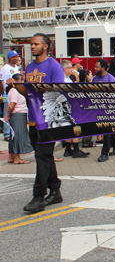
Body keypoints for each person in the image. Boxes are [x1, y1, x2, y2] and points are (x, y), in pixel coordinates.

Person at [15, 33, 65, 213]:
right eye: (31, 44)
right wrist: (18, 86)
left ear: (46, 46)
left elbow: (58, 93)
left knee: (42, 157)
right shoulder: (29, 67)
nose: (32, 47)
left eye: (36, 44)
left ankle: (38, 197)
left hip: (48, 121)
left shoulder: (54, 66)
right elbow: (30, 95)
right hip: (33, 120)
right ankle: (55, 190)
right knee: (44, 156)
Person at [93, 59, 115, 162]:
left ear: (104, 68)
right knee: (106, 130)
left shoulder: (111, 79)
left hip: (109, 109)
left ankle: (104, 152)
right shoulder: (95, 79)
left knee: (106, 130)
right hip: (99, 108)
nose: (95, 68)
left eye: (97, 66)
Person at [61, 60, 90, 158]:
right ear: (65, 69)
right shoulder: (63, 80)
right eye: (70, 68)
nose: (72, 69)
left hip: (70, 106)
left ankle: (68, 149)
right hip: (70, 107)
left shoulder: (67, 78)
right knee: (76, 127)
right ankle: (76, 149)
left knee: (69, 128)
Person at [4, 74, 33, 164]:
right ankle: (17, 158)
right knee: (18, 135)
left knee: (14, 136)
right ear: (19, 81)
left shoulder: (14, 90)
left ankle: (11, 156)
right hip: (18, 115)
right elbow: (12, 105)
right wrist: (8, 115)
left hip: (17, 114)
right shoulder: (16, 91)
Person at [0, 50, 21, 141]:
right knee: (6, 113)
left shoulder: (16, 67)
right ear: (11, 58)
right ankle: (7, 134)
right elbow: (1, 81)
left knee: (14, 112)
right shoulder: (5, 68)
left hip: (16, 93)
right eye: (16, 57)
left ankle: (12, 131)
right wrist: (3, 94)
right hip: (7, 93)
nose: (18, 58)